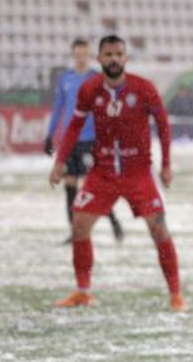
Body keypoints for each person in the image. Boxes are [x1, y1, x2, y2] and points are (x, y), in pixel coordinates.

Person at [48, 36, 183, 310]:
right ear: (99, 59)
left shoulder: (143, 88)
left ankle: (175, 295)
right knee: (79, 225)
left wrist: (166, 164)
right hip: (103, 171)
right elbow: (74, 125)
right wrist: (59, 161)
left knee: (159, 228)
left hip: (138, 172)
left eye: (118, 53)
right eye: (108, 54)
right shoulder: (90, 89)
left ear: (126, 58)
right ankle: (83, 292)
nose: (113, 58)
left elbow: (163, 124)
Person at [45, 38, 124, 243]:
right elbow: (59, 109)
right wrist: (50, 135)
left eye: (84, 54)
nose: (81, 58)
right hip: (70, 141)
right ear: (73, 55)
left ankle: (113, 221)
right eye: (78, 54)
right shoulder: (65, 79)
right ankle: (75, 233)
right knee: (69, 185)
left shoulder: (98, 79)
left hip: (91, 140)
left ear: (89, 56)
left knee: (94, 188)